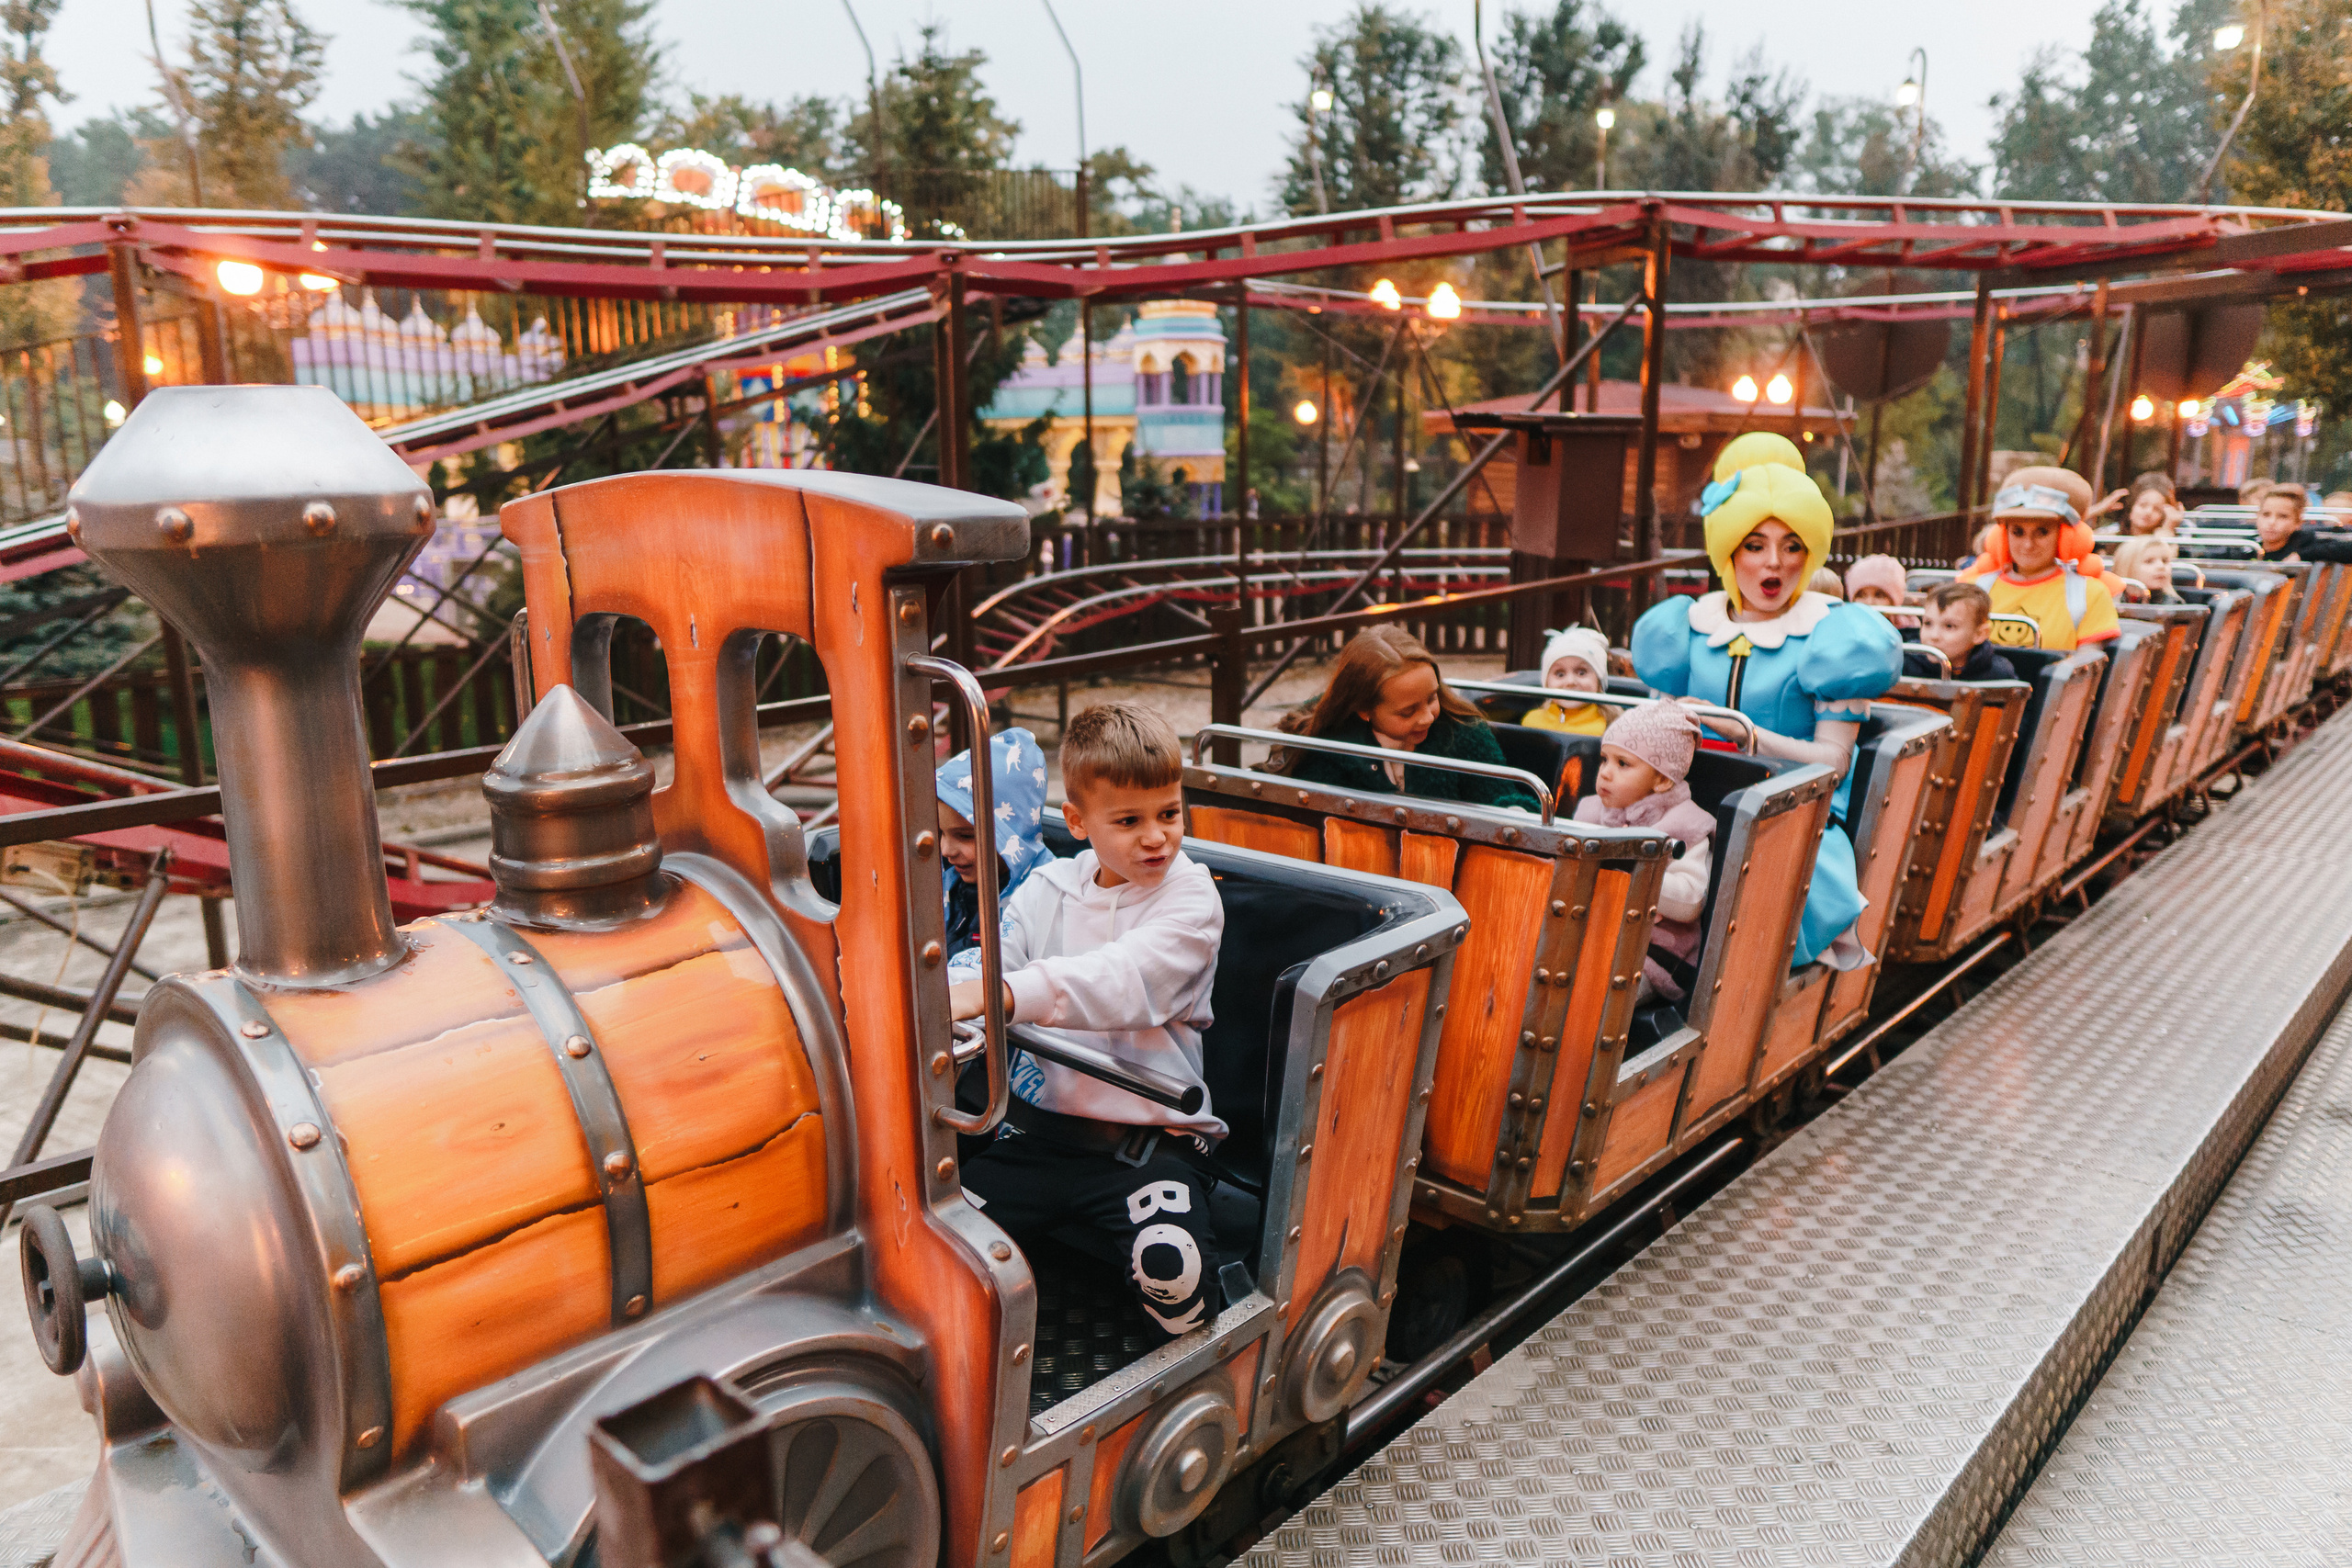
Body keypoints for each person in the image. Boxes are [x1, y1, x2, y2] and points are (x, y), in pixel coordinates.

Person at [946, 703, 1227, 1341]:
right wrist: (951, 993)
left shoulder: (1190, 899)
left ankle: (1187, 1330)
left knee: (1172, 1267)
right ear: (1077, 821)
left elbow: (1123, 979)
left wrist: (1001, 996)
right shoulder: (1048, 888)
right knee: (939, 1243)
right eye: (1129, 820)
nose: (1156, 836)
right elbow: (992, 961)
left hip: (1144, 1146)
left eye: (1170, 813)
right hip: (1038, 1140)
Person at [1629, 431, 1903, 970]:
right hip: (1689, 806)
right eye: (1755, 545)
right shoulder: (1684, 627)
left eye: (1792, 545)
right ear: (1729, 550)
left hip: (1790, 814)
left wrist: (1748, 736)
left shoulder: (1834, 636)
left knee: (1750, 877)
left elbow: (1833, 762)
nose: (1773, 563)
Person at [1276, 626, 1544, 813]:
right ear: (1364, 709)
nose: (1427, 717)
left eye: (1431, 698)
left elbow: (1500, 797)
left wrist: (1514, 811)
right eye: (1407, 712)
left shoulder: (1463, 733)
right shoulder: (1328, 744)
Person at [1571, 701, 1714, 1003]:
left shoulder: (1685, 825)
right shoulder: (1591, 811)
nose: (1606, 773)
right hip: (1592, 936)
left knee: (1598, 996)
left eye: (1623, 764)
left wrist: (1631, 865)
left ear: (1661, 780)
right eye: (1604, 760)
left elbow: (1690, 901)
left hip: (1653, 954)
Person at [1958, 466, 2122, 651]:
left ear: (2065, 537)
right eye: (2017, 532)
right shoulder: (1971, 589)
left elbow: (2085, 674)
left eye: (2042, 532)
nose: (2028, 545)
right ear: (2003, 536)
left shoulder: (2089, 595)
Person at [935, 728, 1052, 959]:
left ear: (1013, 832)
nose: (946, 851)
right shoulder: (947, 884)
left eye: (966, 836)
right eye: (941, 833)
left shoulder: (1045, 897)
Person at [1905, 581, 2018, 682]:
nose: (1934, 636)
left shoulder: (1998, 674)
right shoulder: (1905, 664)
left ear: (1979, 634)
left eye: (1949, 626)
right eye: (1928, 623)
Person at [1523, 626, 1611, 736]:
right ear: (1547, 683)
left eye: (1581, 672)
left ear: (1599, 680)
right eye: (1560, 674)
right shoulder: (1531, 722)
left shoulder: (1609, 728)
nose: (1570, 682)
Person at [2253, 484, 2352, 563]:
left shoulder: (2305, 542)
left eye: (2283, 516)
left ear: (2298, 522)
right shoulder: (2247, 546)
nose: (2272, 522)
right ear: (2257, 516)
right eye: (2266, 515)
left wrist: (2302, 555)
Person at [2111, 535, 2185, 605]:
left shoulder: (2176, 605)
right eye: (2149, 561)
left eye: (2165, 561)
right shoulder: (2109, 601)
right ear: (2126, 566)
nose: (2161, 566)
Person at [2121, 472, 2183, 536]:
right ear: (2131, 507)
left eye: (2157, 509)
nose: (2148, 512)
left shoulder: (2166, 540)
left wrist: (2168, 527)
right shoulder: (2112, 535)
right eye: (2143, 505)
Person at [1844, 555, 1908, 609]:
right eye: (1861, 596)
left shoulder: (1910, 623)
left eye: (1879, 595)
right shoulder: (1844, 622)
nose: (1869, 603)